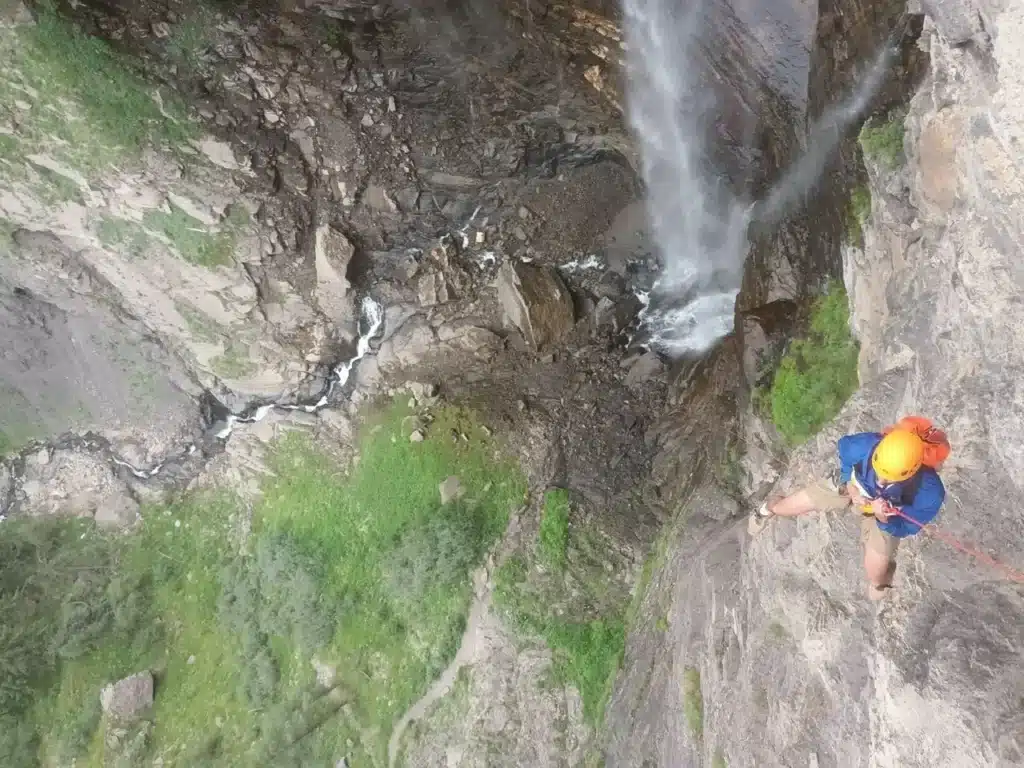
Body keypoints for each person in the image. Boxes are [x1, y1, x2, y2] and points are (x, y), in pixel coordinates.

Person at [748, 426, 946, 601]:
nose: (881, 482)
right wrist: (849, 484)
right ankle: (767, 509)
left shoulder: (929, 492)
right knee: (785, 508)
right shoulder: (865, 445)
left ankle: (881, 582)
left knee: (876, 574)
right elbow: (844, 449)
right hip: (855, 486)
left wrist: (882, 518)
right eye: (880, 473)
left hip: (887, 516)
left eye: (888, 479)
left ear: (911, 472)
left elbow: (907, 528)